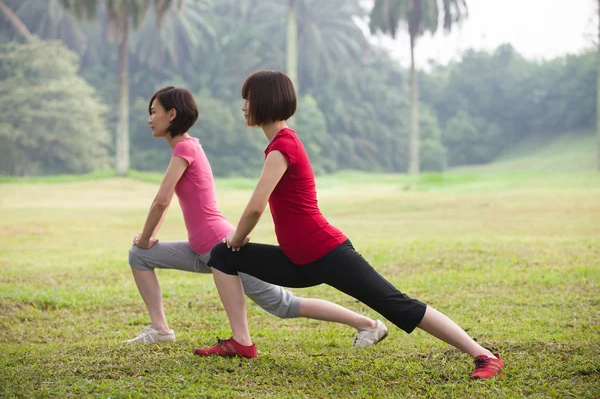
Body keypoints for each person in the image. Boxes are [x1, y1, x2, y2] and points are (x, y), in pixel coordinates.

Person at [194, 72, 504, 380]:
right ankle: (241, 343)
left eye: (248, 99)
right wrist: (233, 243)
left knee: (399, 306)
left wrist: (238, 237)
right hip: (297, 259)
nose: (244, 106)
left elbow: (256, 206)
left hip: (327, 253)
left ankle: (484, 355)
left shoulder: (282, 146)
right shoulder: (278, 144)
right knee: (222, 256)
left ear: (264, 101)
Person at [126, 86, 388, 347]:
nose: (149, 119)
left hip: (219, 245)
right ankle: (160, 329)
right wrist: (147, 241)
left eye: (153, 112)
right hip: (200, 248)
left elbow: (160, 201)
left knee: (282, 304)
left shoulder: (185, 148)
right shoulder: (187, 148)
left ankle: (369, 325)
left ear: (171, 114)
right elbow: (165, 201)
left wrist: (147, 237)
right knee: (139, 255)